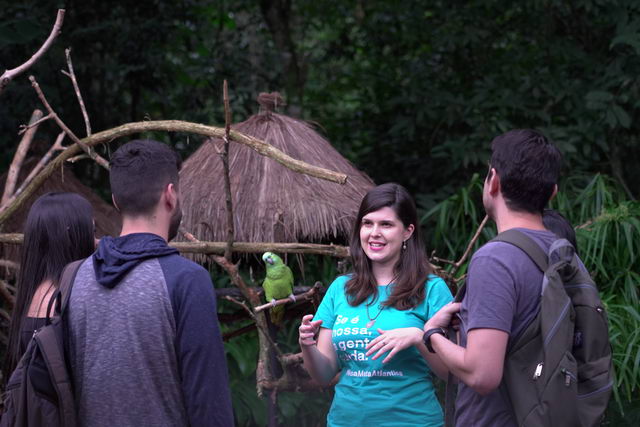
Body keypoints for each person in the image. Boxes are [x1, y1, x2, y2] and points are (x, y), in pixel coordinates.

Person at [66, 139, 233, 426]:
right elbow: (209, 404)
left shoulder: (73, 277)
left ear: (116, 201)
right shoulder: (187, 280)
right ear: (170, 195)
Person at [423, 129, 565, 426]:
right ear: (553, 192)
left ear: (493, 182)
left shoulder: (496, 259)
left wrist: (431, 333)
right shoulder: (562, 252)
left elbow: (482, 374)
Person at [299, 183, 452, 427]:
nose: (374, 233)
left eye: (386, 225)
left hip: (413, 421)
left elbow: (450, 374)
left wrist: (419, 337)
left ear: (407, 231)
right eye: (367, 223)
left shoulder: (432, 289)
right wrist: (307, 345)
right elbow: (324, 374)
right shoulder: (340, 289)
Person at [2, 192, 95, 384]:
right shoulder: (66, 303)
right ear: (72, 237)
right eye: (91, 233)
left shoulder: (31, 297)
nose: (96, 242)